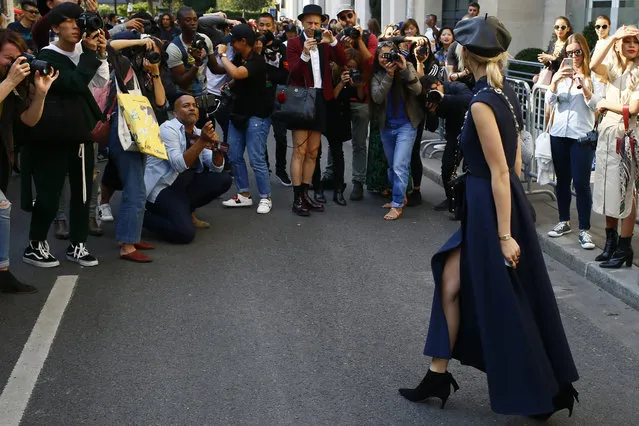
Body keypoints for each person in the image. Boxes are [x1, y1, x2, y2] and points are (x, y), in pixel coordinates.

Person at [399, 16, 579, 419]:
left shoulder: (483, 103)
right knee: (450, 278)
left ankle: (544, 391)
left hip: (489, 208)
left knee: (506, 301)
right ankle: (437, 373)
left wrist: (503, 234)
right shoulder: (503, 95)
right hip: (494, 204)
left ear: (466, 53)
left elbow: (501, 170)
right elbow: (515, 165)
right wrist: (511, 214)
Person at [22, 3, 108, 268]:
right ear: (55, 27)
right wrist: (91, 55)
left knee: (82, 193)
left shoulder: (85, 52)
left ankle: (78, 245)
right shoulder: (46, 56)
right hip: (52, 135)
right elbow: (71, 84)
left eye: (78, 21)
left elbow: (99, 83)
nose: (75, 26)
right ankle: (35, 245)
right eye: (68, 22)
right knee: (49, 193)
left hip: (81, 133)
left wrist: (100, 53)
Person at [98, 36, 170, 262]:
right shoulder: (123, 66)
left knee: (136, 187)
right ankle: (127, 245)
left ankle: (131, 237)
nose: (150, 56)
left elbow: (160, 103)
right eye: (148, 52)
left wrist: (155, 71)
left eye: (155, 52)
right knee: (136, 189)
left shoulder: (151, 74)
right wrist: (138, 41)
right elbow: (108, 46)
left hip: (142, 135)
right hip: (123, 134)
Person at [0, 29, 57, 293]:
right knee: (1, 207)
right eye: (7, 58)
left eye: (17, 58)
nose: (13, 65)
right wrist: (10, 81)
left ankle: (2, 272)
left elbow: (28, 121)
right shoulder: (8, 82)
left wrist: (41, 94)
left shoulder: (13, 85)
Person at [143, 95, 231, 244]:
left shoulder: (196, 131)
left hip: (184, 185)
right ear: (175, 113)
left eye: (194, 105)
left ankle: (186, 210)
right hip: (165, 187)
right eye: (186, 106)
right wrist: (202, 141)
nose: (191, 108)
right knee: (185, 234)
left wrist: (216, 149)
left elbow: (217, 167)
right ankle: (143, 218)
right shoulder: (168, 129)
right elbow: (178, 164)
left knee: (223, 179)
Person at [286, 4, 346, 216]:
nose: (313, 27)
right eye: (309, 23)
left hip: (321, 98)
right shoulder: (294, 43)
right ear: (302, 23)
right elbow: (293, 73)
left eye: (317, 23)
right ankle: (297, 198)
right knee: (300, 150)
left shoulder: (326, 43)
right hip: (302, 98)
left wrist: (334, 41)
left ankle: (305, 194)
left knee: (313, 152)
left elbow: (344, 61)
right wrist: (304, 53)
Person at [590, 25, 639, 268]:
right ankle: (611, 242)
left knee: (626, 190)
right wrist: (612, 38)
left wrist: (607, 103)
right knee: (607, 187)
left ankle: (624, 247)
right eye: (626, 41)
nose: (631, 45)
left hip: (627, 134)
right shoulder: (613, 69)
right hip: (607, 135)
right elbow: (592, 65)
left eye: (635, 41)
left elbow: (634, 108)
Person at [545, 34, 599, 250]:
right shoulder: (560, 74)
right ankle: (564, 221)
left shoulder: (592, 75)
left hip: (581, 136)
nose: (574, 56)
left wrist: (583, 85)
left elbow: (596, 105)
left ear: (584, 52)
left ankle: (585, 229)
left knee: (582, 184)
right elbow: (549, 100)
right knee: (562, 181)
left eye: (578, 52)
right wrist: (556, 81)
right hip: (559, 133)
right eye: (569, 53)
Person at [217, 24, 274, 214]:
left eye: (233, 40)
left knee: (257, 158)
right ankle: (243, 195)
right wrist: (229, 84)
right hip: (238, 113)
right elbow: (237, 77)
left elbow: (238, 72)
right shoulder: (240, 57)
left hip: (257, 115)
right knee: (233, 155)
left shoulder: (257, 60)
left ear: (243, 41)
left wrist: (222, 55)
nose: (230, 43)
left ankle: (265, 197)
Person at [331, 4, 378, 201]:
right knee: (335, 141)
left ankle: (358, 181)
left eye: (349, 15)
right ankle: (331, 175)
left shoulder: (369, 38)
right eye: (342, 18)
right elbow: (332, 64)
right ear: (339, 22)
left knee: (359, 143)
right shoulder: (337, 40)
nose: (347, 20)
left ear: (355, 15)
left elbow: (372, 62)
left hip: (361, 98)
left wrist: (359, 41)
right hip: (341, 96)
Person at [371, 41, 423, 220]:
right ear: (377, 59)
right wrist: (389, 76)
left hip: (406, 125)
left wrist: (403, 70)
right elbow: (377, 97)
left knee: (400, 166)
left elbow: (417, 90)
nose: (387, 59)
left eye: (390, 54)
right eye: (382, 56)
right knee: (393, 167)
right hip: (387, 126)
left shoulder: (406, 66)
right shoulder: (378, 75)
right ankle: (400, 197)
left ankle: (397, 204)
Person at [425, 76, 473, 213]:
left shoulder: (455, 87)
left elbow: (468, 98)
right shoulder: (430, 99)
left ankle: (470, 202)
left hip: (470, 131)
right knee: (447, 166)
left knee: (471, 168)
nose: (433, 94)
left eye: (434, 90)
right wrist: (432, 111)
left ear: (439, 84)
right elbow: (432, 127)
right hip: (453, 132)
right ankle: (451, 199)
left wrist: (443, 98)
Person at [256, 12, 291, 187]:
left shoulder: (281, 47)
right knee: (260, 136)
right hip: (259, 99)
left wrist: (266, 74)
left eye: (268, 25)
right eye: (261, 25)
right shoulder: (254, 47)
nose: (264, 29)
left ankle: (281, 169)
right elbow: (251, 71)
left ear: (274, 27)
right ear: (257, 26)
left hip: (279, 98)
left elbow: (284, 73)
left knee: (281, 137)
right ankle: (265, 167)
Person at [166, 6, 215, 126]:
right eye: (188, 20)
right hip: (185, 100)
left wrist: (235, 65)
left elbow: (215, 67)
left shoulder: (205, 40)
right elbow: (183, 82)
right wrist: (197, 63)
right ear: (178, 22)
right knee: (188, 137)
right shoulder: (174, 48)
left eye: (195, 19)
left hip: (203, 97)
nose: (193, 23)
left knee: (208, 133)